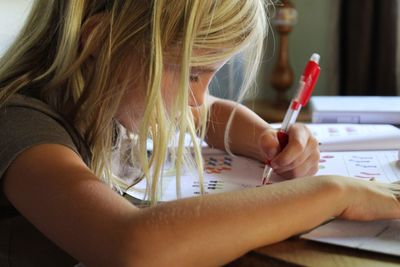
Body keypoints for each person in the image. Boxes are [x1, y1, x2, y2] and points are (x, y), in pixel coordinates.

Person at [0, 1, 399, 266]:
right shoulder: (20, 124)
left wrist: (263, 137)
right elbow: (131, 246)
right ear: (101, 44)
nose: (198, 98)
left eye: (212, 75)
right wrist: (335, 193)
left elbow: (210, 114)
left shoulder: (106, 98)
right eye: (192, 73)